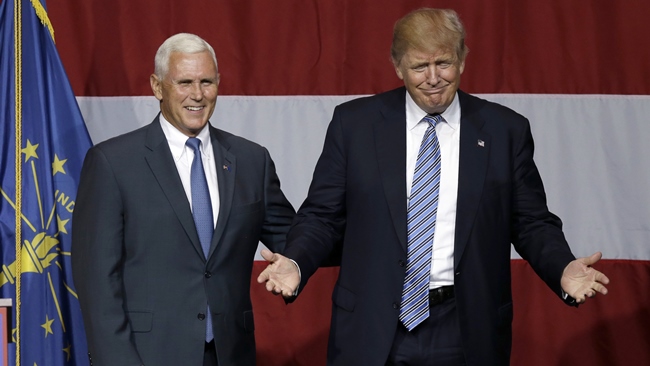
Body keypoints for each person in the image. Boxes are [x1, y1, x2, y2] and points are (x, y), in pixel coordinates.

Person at [257, 8, 610, 366]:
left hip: (464, 326)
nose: (433, 78)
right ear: (397, 67)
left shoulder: (505, 130)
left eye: (443, 63)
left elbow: (531, 222)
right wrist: (297, 261)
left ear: (462, 60)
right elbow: (322, 215)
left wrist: (562, 267)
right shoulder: (355, 125)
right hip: (373, 324)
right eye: (419, 67)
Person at [72, 33, 295, 366]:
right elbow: (97, 282)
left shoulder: (251, 160)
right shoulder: (112, 163)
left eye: (207, 82)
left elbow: (296, 239)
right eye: (185, 82)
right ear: (157, 86)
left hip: (229, 354)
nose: (197, 94)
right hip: (147, 356)